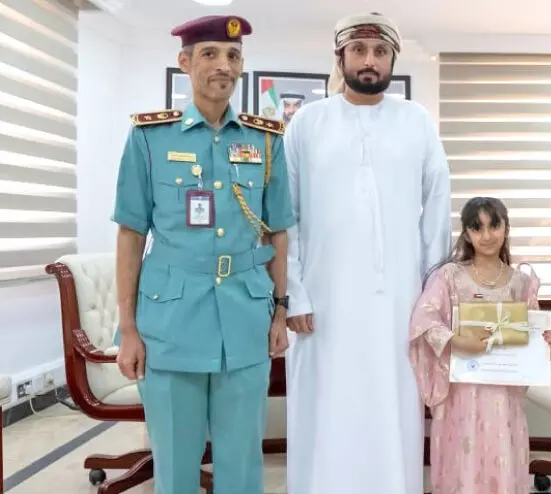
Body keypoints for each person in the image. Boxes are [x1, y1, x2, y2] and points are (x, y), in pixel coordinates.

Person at [111, 15, 294, 494]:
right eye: (210, 54)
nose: (223, 66)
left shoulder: (266, 140)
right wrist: (128, 328)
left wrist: (280, 311)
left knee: (242, 465)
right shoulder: (150, 137)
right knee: (175, 466)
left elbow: (277, 233)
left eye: (233, 56)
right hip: (169, 322)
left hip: (245, 319)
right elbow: (130, 234)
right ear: (185, 62)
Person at [282, 11, 452, 494]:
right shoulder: (307, 123)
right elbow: (284, 215)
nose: (370, 61)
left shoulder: (416, 121)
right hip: (321, 302)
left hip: (399, 300)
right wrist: (294, 293)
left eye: (380, 52)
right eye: (358, 50)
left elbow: (437, 207)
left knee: (391, 407)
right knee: (324, 408)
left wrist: (431, 294)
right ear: (340, 57)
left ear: (393, 59)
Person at [408, 197, 551, 494]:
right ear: (466, 233)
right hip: (460, 396)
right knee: (463, 465)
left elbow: (531, 337)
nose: (486, 235)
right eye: (477, 228)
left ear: (506, 228)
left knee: (503, 461)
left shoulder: (521, 283)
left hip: (504, 396)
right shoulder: (450, 277)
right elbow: (423, 321)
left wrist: (545, 340)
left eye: (494, 226)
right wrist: (457, 340)